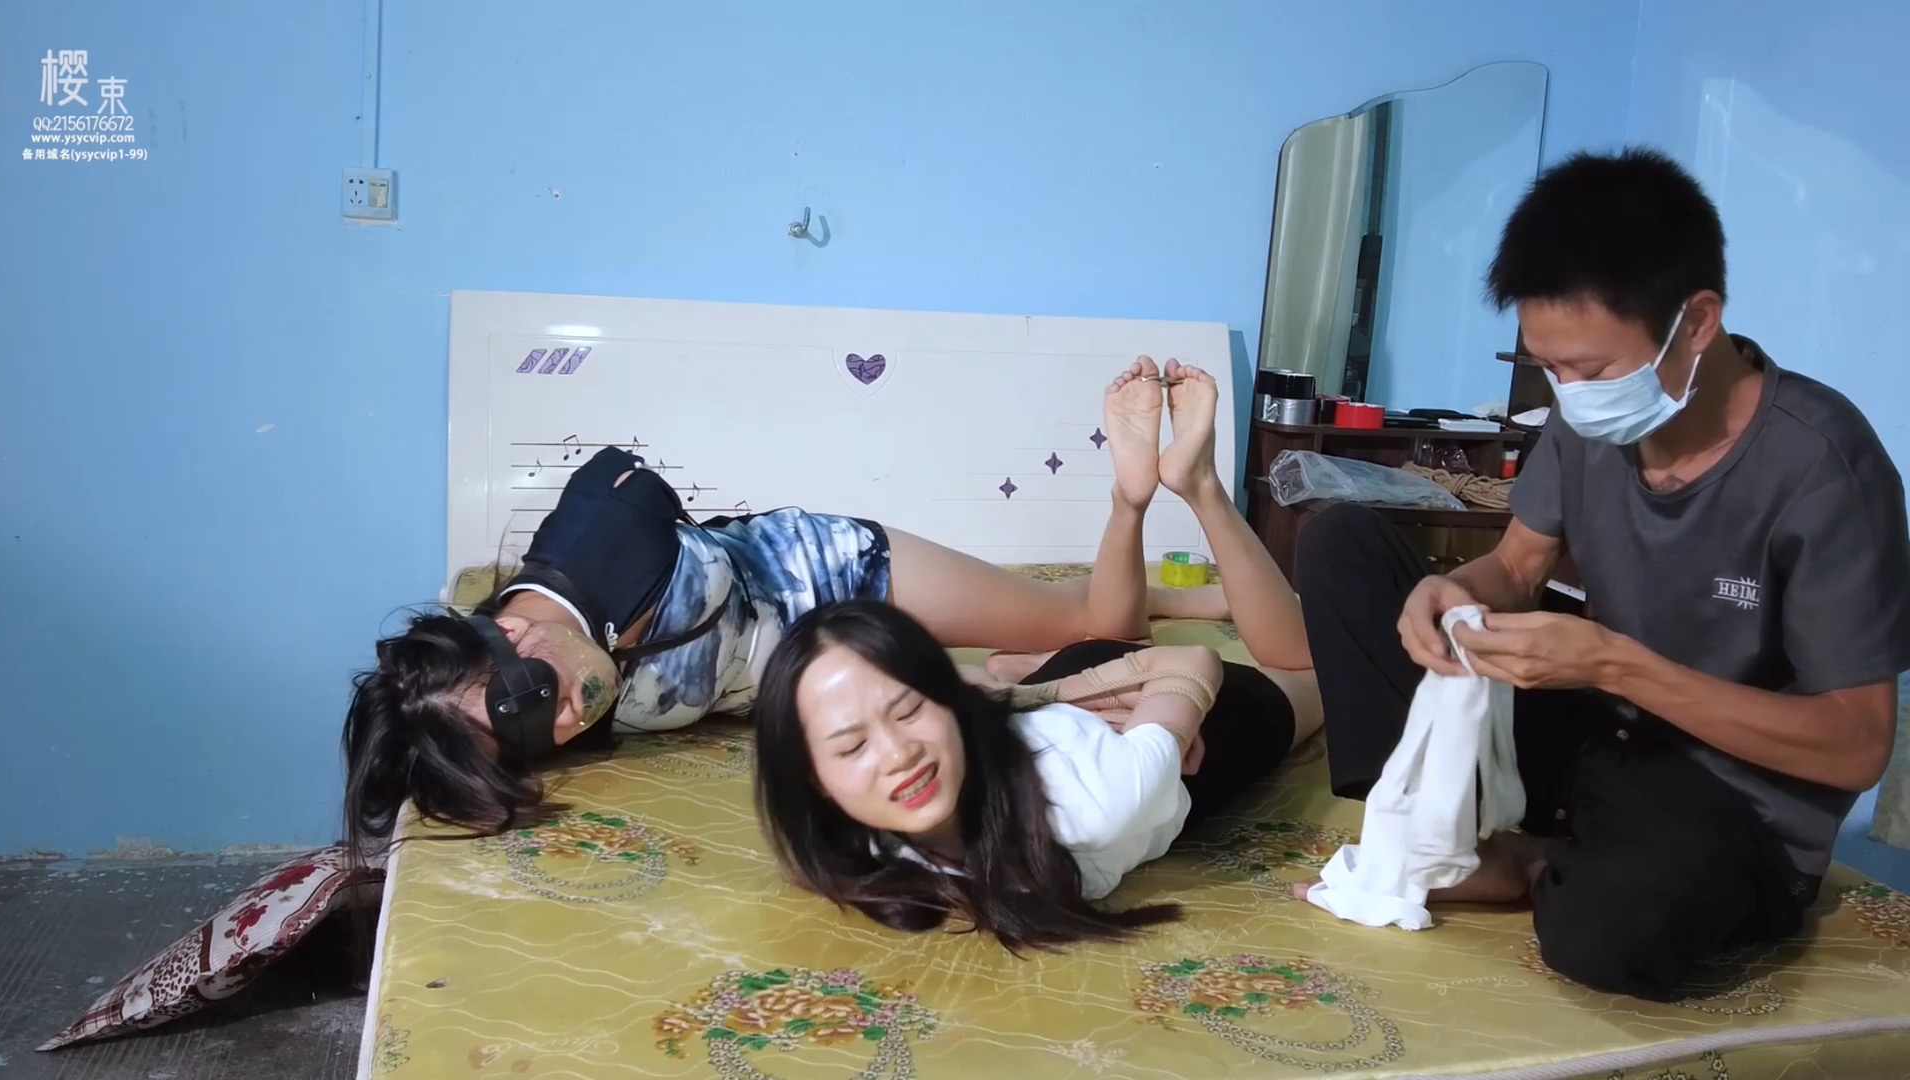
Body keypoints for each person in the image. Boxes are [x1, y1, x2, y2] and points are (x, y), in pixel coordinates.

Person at [1293, 147, 1910, 1001]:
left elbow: (1856, 745)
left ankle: (1534, 863)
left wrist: (1613, 662)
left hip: (1724, 793)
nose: (1570, 394)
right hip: (1594, 731)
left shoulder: (1823, 468)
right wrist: (1456, 595)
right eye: (1551, 368)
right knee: (1343, 544)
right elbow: (1519, 564)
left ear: (1697, 322)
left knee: (1610, 938)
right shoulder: (1589, 423)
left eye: (1591, 370)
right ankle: (1442, 839)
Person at [343, 355, 1310, 855]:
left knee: (1092, 631)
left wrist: (599, 617)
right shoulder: (548, 699)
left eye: (524, 699)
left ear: (512, 631)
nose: (557, 723)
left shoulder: (593, 542)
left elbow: (626, 485)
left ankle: (1134, 495)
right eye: (528, 739)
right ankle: (1184, 579)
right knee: (1095, 630)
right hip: (818, 675)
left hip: (836, 577)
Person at [750, 360, 1321, 952]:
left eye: (908, 710)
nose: (898, 754)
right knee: (1107, 643)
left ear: (949, 701)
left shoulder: (1093, 805)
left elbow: (1193, 663)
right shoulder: (846, 840)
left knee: (1314, 667)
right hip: (1069, 699)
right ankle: (1130, 499)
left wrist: (1037, 697)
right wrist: (1024, 696)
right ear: (812, 778)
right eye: (851, 746)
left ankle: (1199, 485)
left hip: (1185, 726)